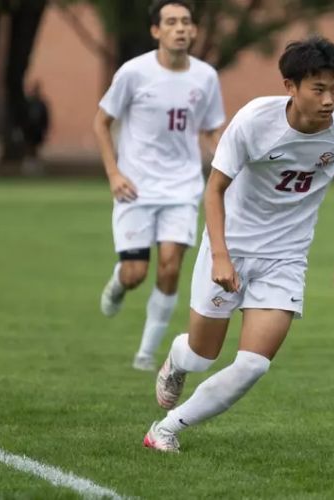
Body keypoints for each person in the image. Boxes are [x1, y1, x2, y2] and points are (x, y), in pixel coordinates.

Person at [142, 35, 334, 453]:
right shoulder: (253, 122)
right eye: (318, 89)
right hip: (231, 248)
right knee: (202, 356)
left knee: (253, 364)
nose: (329, 100)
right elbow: (215, 190)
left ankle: (166, 429)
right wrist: (221, 257)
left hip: (286, 256)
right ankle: (177, 358)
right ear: (290, 87)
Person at [93, 0, 225, 371]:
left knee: (169, 266)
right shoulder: (133, 73)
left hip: (183, 187)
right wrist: (114, 174)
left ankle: (145, 353)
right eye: (171, 22)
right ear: (156, 31)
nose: (180, 28)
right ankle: (119, 284)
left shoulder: (206, 77)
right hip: (135, 186)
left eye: (186, 22)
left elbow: (212, 128)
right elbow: (101, 123)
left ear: (194, 30)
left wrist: (225, 156)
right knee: (136, 273)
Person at [21, 81, 50, 176]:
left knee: (35, 149)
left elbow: (46, 118)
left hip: (38, 131)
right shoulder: (27, 103)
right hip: (29, 130)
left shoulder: (42, 104)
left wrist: (45, 130)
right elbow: (23, 117)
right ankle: (28, 168)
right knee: (29, 148)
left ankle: (35, 168)